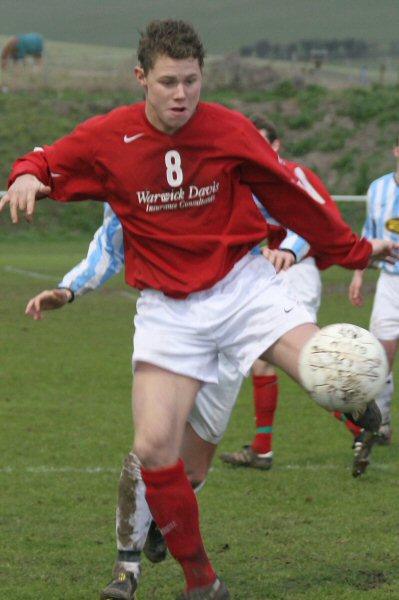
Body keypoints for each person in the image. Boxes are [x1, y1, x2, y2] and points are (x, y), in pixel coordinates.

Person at [2, 19, 398, 600]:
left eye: (191, 80)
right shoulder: (110, 136)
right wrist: (26, 179)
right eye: (167, 82)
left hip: (243, 287)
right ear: (141, 78)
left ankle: (355, 402)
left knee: (324, 361)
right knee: (154, 447)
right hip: (168, 308)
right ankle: (201, 582)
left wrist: (354, 251)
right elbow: (45, 158)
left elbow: (294, 194)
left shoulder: (229, 129)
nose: (181, 94)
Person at [219, 116, 375, 479]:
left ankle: (355, 421)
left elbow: (314, 217)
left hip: (294, 271)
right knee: (266, 361)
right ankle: (264, 447)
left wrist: (289, 251)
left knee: (300, 360)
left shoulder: (290, 174)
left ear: (276, 146)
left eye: (261, 143)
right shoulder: (244, 178)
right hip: (268, 272)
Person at [348, 134, 399, 447]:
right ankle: (383, 423)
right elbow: (367, 234)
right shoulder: (378, 189)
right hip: (389, 283)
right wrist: (358, 275)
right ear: (396, 149)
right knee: (380, 358)